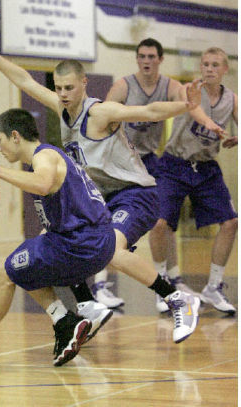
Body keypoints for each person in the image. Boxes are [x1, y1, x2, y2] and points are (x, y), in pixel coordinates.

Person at [0, 18, 202, 347]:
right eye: (59, 88)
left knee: (110, 249)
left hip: (135, 194)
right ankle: (85, 303)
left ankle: (178, 300)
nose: (64, 94)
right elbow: (23, 79)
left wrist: (185, 105)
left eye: (70, 87)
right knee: (52, 236)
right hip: (99, 197)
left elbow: (150, 110)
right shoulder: (60, 107)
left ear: (84, 83)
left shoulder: (100, 112)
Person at [0, 108, 116, 367]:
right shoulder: (45, 159)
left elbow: (41, 184)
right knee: (23, 265)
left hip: (85, 242)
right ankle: (65, 323)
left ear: (15, 136)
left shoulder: (45, 157)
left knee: (7, 270)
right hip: (91, 241)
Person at [105, 38, 226, 313]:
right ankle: (101, 285)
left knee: (163, 222)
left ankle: (173, 279)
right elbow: (103, 115)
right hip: (119, 162)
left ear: (160, 60)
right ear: (137, 59)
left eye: (151, 56)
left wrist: (210, 124)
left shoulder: (170, 86)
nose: (146, 60)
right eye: (142, 56)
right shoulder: (123, 86)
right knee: (107, 219)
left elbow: (189, 105)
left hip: (148, 160)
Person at [149, 47, 238, 315]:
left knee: (231, 222)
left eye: (215, 65)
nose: (209, 69)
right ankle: (162, 284)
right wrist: (211, 124)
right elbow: (195, 109)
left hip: (206, 168)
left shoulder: (232, 99)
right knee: (160, 223)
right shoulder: (188, 89)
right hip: (175, 164)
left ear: (224, 70)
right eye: (205, 64)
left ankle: (213, 285)